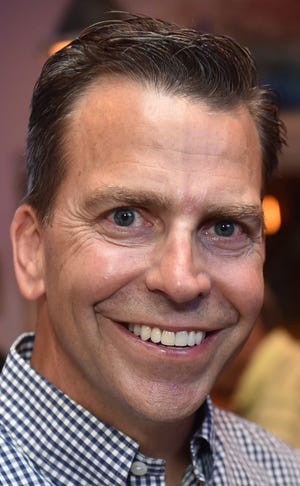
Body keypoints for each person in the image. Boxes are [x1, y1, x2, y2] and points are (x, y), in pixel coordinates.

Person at [1, 13, 299, 485]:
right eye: (125, 217)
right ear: (32, 251)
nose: (182, 280)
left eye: (224, 227)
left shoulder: (281, 472)